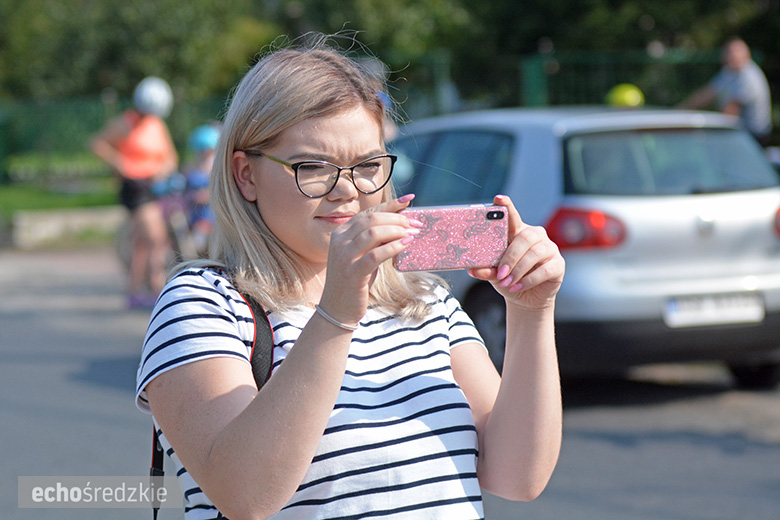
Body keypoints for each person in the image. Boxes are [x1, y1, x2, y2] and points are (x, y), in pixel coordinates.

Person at [135, 36, 564, 520]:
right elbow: (244, 495)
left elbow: (517, 477)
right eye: (313, 167)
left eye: (367, 166)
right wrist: (335, 315)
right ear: (245, 175)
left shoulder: (425, 300)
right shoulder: (202, 302)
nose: (347, 191)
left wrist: (531, 312)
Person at [90, 76, 179, 308]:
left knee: (141, 242)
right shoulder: (126, 123)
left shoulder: (157, 125)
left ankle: (135, 291)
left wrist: (163, 170)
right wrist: (120, 163)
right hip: (134, 187)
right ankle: (156, 287)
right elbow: (98, 143)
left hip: (153, 186)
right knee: (155, 237)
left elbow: (170, 157)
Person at [679, 37, 772, 146]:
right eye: (728, 52)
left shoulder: (749, 78)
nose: (731, 55)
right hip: (742, 134)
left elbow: (730, 113)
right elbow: (708, 93)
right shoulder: (730, 71)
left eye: (735, 52)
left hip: (754, 137)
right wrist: (681, 109)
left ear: (746, 54)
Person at [182, 123, 221, 256]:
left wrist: (209, 195)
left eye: (207, 150)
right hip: (196, 218)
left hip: (215, 219)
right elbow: (183, 193)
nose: (204, 153)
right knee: (194, 247)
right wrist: (193, 196)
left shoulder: (218, 169)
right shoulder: (190, 169)